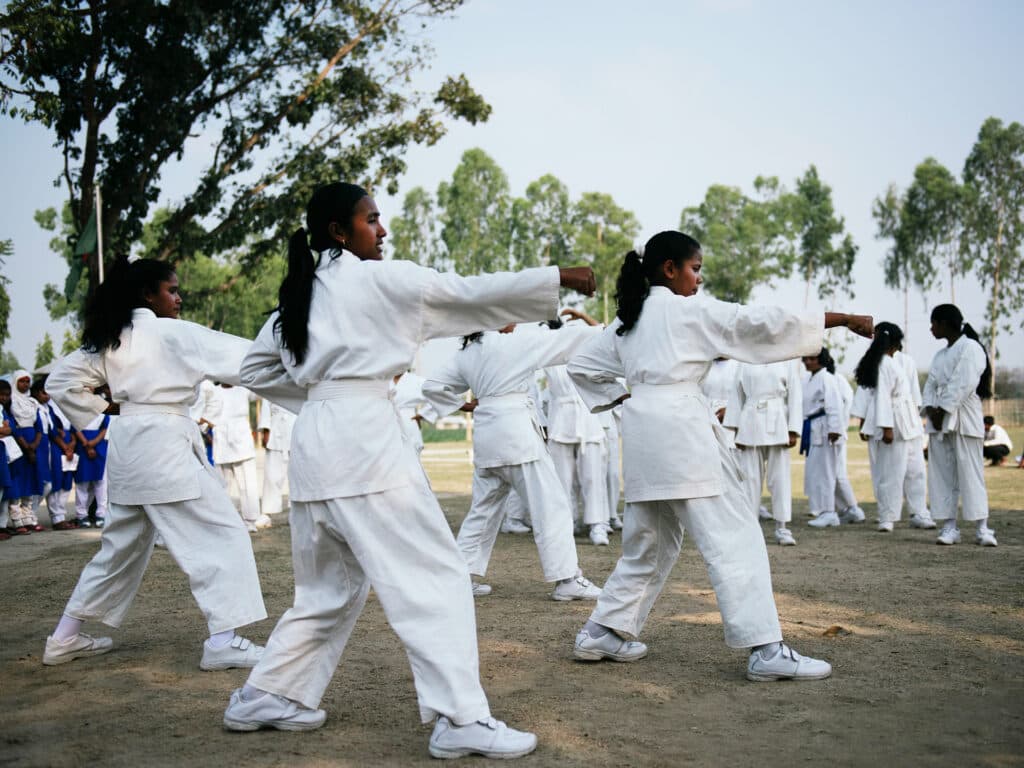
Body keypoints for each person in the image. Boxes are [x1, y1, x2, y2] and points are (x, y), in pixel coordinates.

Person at [225, 181, 595, 760]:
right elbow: (466, 294)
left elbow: (252, 367)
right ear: (339, 232)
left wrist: (321, 395)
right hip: (366, 446)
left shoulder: (299, 296)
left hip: (319, 445)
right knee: (436, 576)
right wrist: (557, 279)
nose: (384, 229)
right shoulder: (377, 280)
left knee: (327, 588)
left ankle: (267, 693)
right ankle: (460, 719)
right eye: (372, 219)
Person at [566, 230, 872, 682]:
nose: (699, 279)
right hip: (683, 433)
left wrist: (622, 402)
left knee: (649, 542)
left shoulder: (626, 320)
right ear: (669, 269)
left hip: (645, 433)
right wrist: (841, 318)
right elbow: (762, 323)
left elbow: (581, 366)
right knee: (735, 535)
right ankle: (766, 648)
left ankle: (602, 631)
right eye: (695, 268)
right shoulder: (688, 312)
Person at [44, 256, 268, 670]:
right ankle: (223, 640)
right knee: (225, 533)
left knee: (118, 551)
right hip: (166, 444)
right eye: (172, 290)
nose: (179, 298)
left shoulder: (111, 338)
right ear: (148, 294)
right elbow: (247, 358)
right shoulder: (175, 334)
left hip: (129, 445)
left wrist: (103, 406)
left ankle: (63, 637)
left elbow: (58, 381)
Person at [421, 313, 603, 601]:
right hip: (518, 437)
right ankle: (567, 578)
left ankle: (460, 578)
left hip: (488, 437)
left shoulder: (466, 353)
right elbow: (567, 339)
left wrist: (463, 404)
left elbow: (431, 387)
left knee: (482, 512)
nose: (516, 321)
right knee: (551, 507)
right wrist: (611, 329)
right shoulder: (515, 343)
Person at [922, 304, 997, 546]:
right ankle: (949, 527)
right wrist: (932, 409)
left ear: (945, 323)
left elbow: (963, 382)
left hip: (964, 416)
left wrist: (943, 409)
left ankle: (983, 528)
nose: (931, 328)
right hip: (939, 419)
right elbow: (931, 384)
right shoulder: (940, 356)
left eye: (934, 323)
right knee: (942, 474)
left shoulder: (971, 348)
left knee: (971, 473)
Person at [853, 322, 928, 532]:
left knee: (915, 469)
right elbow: (882, 397)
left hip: (908, 421)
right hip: (892, 421)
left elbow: (911, 393)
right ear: (894, 342)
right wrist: (885, 427)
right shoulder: (883, 363)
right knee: (891, 471)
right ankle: (887, 515)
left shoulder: (898, 362)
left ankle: (918, 511)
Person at [725, 360, 803, 545]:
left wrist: (793, 429)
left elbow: (795, 395)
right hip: (750, 421)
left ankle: (782, 527)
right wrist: (736, 428)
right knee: (750, 479)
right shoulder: (745, 358)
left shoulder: (787, 359)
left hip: (778, 420)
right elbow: (736, 395)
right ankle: (751, 528)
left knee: (780, 478)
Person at [544, 356, 611, 546]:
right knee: (562, 478)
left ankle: (597, 524)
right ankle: (566, 521)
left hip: (588, 420)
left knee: (593, 477)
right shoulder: (552, 356)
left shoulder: (589, 357)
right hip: (560, 420)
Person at [206, 383, 270, 532]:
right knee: (223, 485)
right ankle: (224, 519)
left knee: (247, 484)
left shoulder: (244, 389)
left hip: (242, 441)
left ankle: (251, 520)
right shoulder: (214, 391)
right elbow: (206, 413)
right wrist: (208, 431)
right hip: (221, 441)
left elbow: (261, 392)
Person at [800, 349, 848, 529]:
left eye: (811, 359)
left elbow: (834, 404)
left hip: (826, 428)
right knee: (816, 473)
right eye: (805, 358)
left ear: (821, 360)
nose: (807, 362)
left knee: (827, 473)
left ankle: (829, 512)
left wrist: (835, 429)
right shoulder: (807, 379)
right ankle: (822, 510)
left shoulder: (827, 378)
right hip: (812, 428)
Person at [32, 379, 78, 529]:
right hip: (51, 447)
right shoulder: (40, 406)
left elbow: (70, 427)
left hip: (61, 448)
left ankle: (59, 517)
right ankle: (32, 517)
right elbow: (52, 431)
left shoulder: (52, 406)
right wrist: (65, 446)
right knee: (48, 484)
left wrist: (71, 443)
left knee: (62, 482)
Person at [8, 370, 45, 532]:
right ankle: (17, 520)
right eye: (21, 381)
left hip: (33, 443)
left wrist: (34, 446)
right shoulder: (11, 402)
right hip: (18, 444)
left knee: (30, 481)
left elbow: (39, 427)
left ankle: (28, 517)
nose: (25, 385)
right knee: (19, 481)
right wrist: (26, 446)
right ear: (15, 383)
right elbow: (13, 426)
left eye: (27, 381)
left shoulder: (32, 402)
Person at [257, 396, 297, 518]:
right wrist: (266, 431)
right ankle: (268, 512)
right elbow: (265, 406)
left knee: (297, 475)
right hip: (275, 429)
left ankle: (296, 510)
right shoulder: (272, 378)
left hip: (296, 425)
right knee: (271, 475)